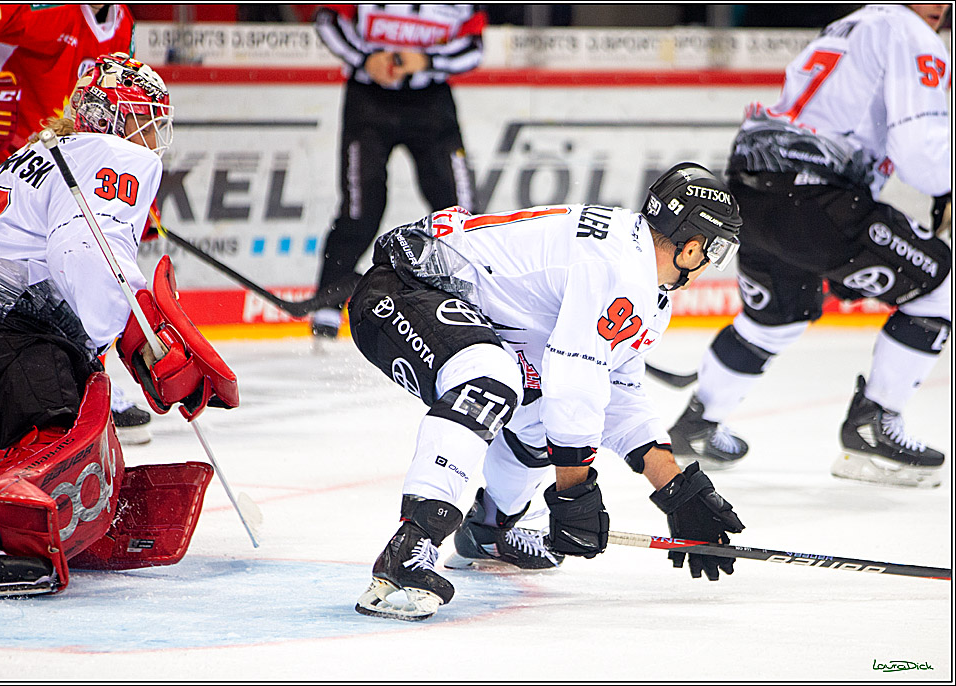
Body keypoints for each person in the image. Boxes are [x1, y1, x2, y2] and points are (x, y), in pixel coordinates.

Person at [346, 162, 747, 620]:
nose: (710, 265)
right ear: (692, 246)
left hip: (447, 302)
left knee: (537, 419)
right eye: (715, 252)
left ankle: (491, 528)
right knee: (491, 380)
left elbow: (618, 391)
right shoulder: (617, 269)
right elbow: (573, 386)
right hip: (401, 290)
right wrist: (573, 491)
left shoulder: (642, 281)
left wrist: (676, 489)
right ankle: (409, 552)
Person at [0, 52, 230, 598]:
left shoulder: (30, 156)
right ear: (114, 117)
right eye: (145, 119)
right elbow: (86, 251)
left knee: (7, 423)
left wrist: (131, 327)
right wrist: (95, 350)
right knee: (65, 399)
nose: (151, 136)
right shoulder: (113, 153)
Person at [666, 4, 951, 489]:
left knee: (775, 315)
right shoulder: (910, 31)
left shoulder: (843, 26)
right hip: (816, 197)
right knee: (940, 285)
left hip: (750, 191)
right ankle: (875, 422)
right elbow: (920, 153)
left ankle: (698, 424)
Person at [0, 4, 150, 440]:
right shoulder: (43, 6)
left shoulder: (122, 20)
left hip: (51, 164)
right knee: (69, 259)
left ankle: (83, 381)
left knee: (76, 259)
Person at [309, 3, 486, 338]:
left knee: (461, 210)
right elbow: (326, 19)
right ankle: (327, 301)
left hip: (432, 103)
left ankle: (482, 297)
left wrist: (428, 60)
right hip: (369, 103)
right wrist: (365, 59)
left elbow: (474, 47)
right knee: (361, 208)